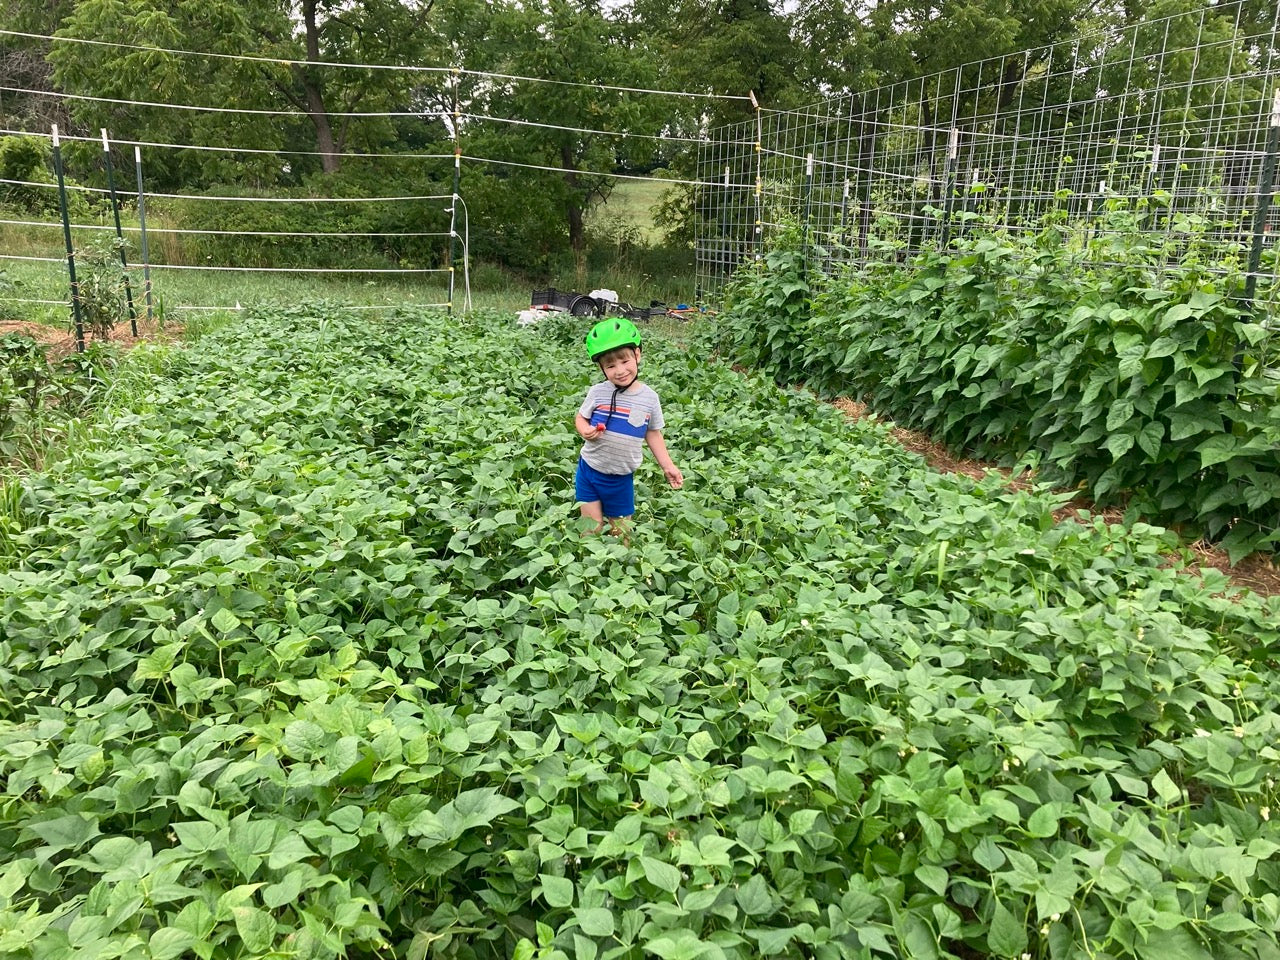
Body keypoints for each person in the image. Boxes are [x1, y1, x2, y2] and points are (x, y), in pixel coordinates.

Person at [574, 317, 683, 538]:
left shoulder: (649, 399)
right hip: (589, 470)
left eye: (624, 361)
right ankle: (589, 568)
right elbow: (580, 417)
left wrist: (667, 465)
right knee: (590, 528)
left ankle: (621, 568)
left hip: (620, 478)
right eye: (610, 365)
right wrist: (584, 430)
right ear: (601, 368)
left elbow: (652, 433)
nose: (620, 370)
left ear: (637, 355)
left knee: (621, 532)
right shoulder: (597, 392)